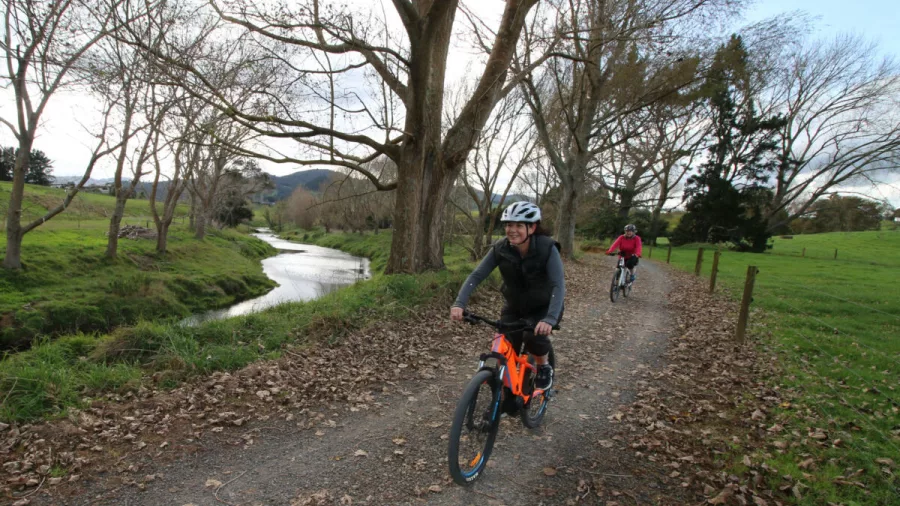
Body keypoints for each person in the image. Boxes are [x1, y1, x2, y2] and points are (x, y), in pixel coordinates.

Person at [450, 201, 565, 391]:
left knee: (533, 335)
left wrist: (550, 318)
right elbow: (477, 275)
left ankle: (544, 367)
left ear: (532, 227)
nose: (512, 230)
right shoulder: (500, 248)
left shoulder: (547, 248)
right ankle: (505, 396)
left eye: (519, 225)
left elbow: (557, 285)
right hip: (515, 305)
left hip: (544, 306)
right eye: (509, 225)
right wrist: (459, 303)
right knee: (505, 348)